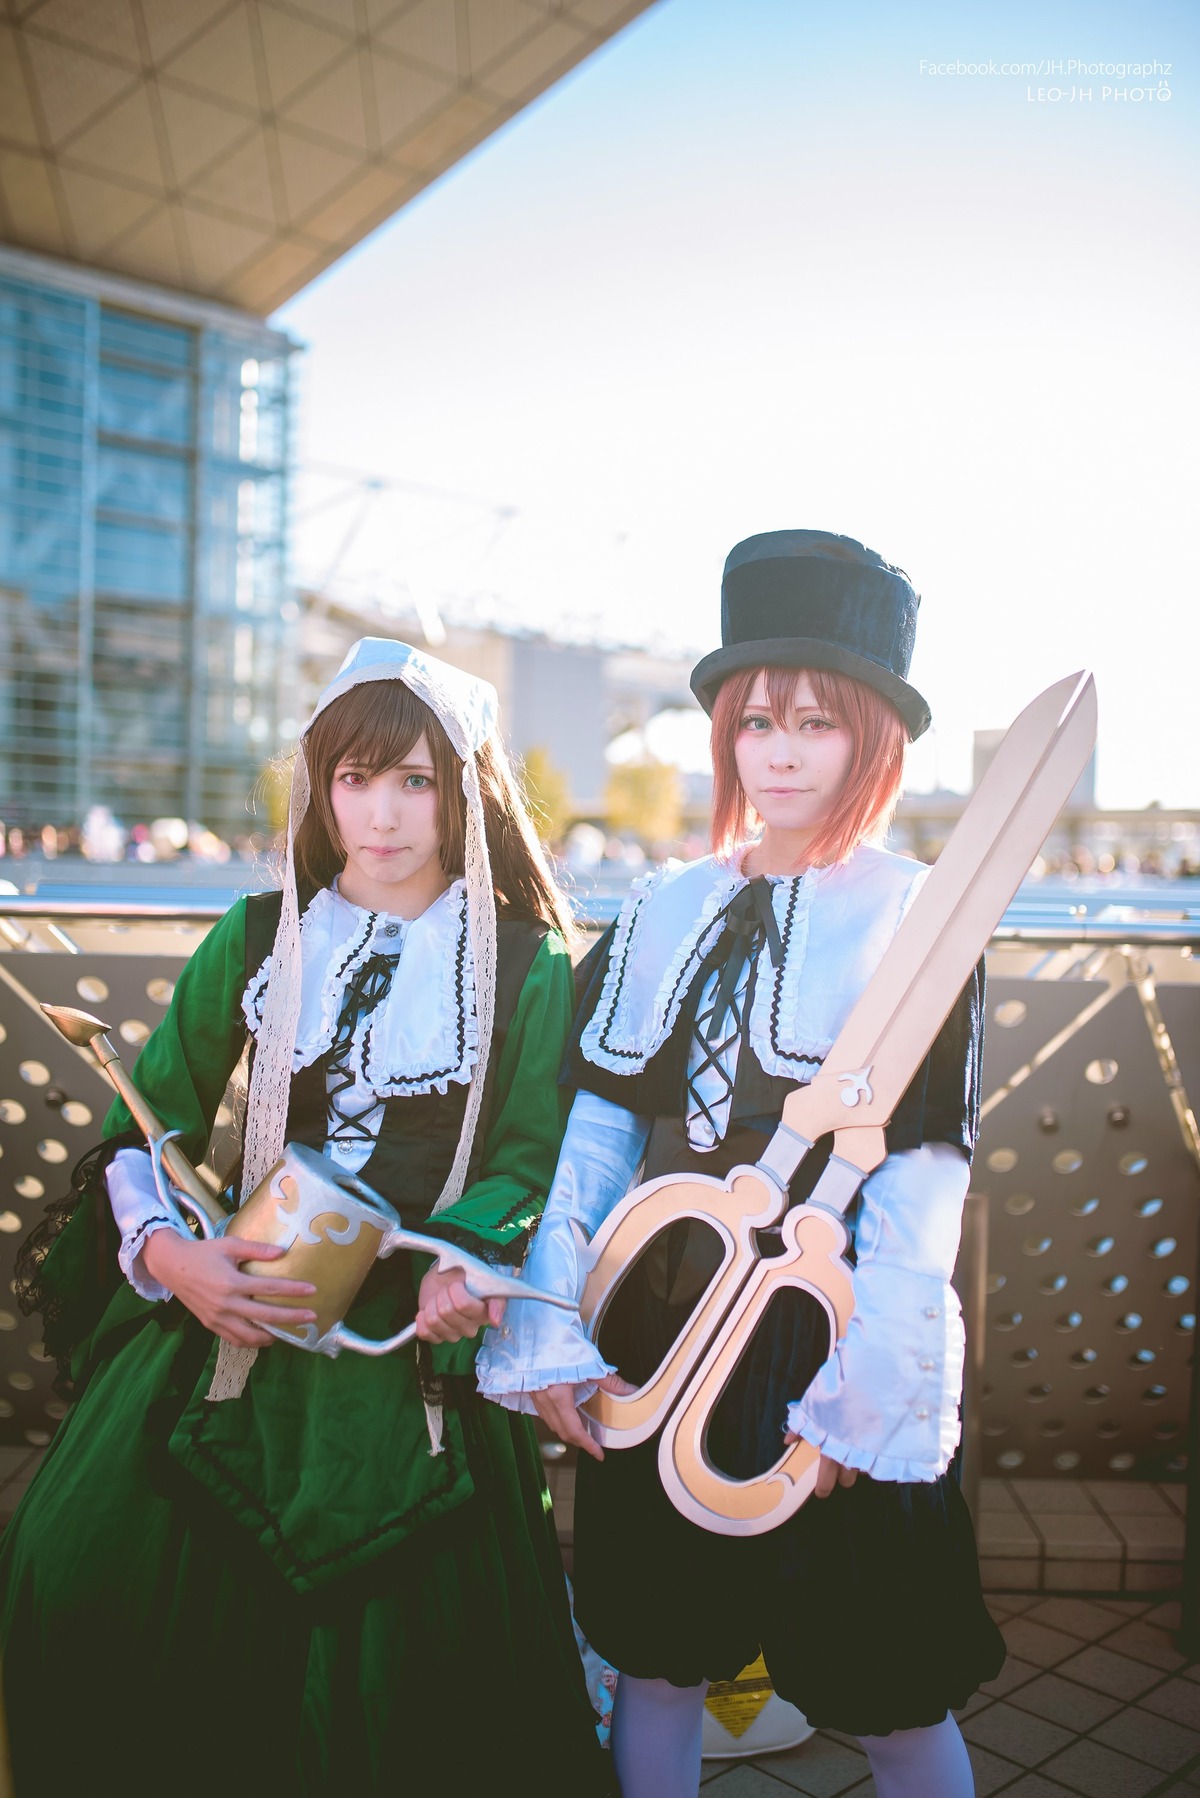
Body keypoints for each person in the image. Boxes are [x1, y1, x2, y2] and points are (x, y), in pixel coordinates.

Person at [2, 639, 613, 1798]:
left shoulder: (528, 964)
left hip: (417, 1333)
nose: (379, 815)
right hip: (241, 1304)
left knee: (405, 1671)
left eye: (414, 781)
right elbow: (148, 1127)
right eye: (352, 778)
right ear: (320, 787)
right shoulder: (255, 933)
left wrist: (465, 1265)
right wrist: (176, 1257)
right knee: (67, 1563)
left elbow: (532, 1151)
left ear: (464, 789)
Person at [478, 532, 1006, 1798]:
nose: (779, 748)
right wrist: (554, 1325)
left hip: (823, 1336)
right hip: (656, 1335)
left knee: (888, 1691)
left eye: (818, 722)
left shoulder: (918, 916)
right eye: (757, 718)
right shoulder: (664, 905)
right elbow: (599, 1132)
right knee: (654, 1663)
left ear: (873, 737)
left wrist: (865, 1396)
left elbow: (925, 1178)